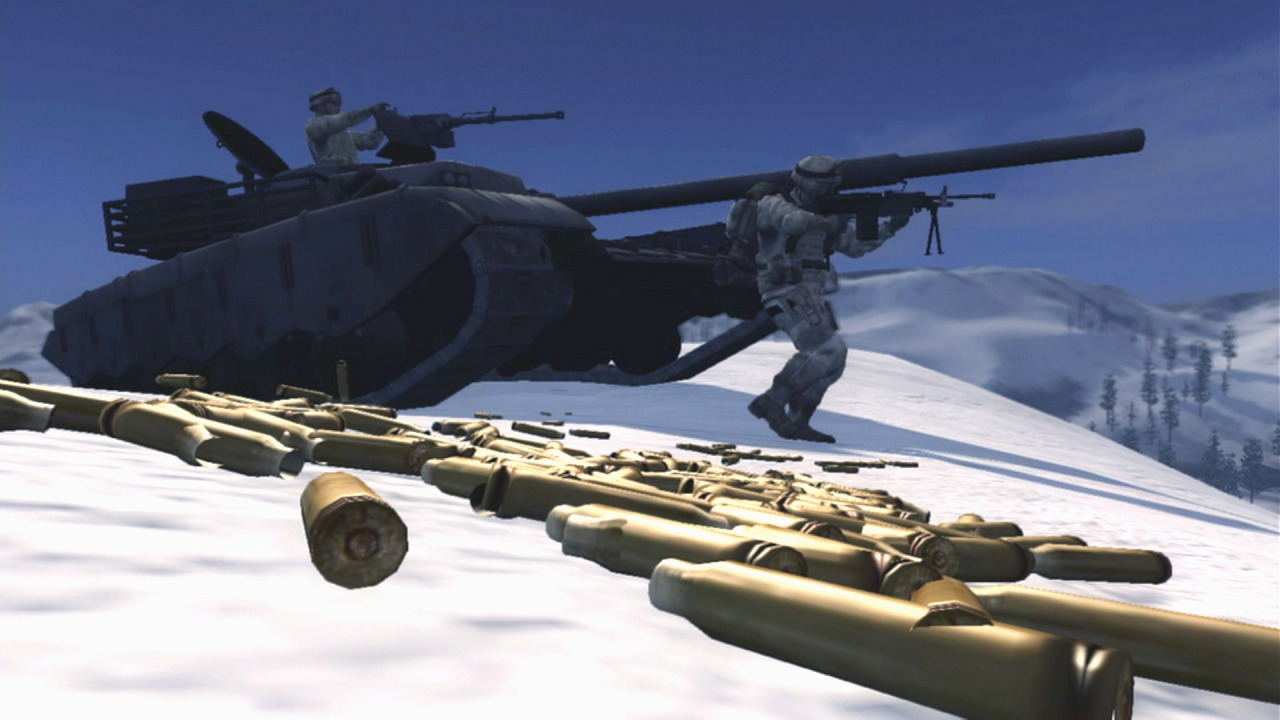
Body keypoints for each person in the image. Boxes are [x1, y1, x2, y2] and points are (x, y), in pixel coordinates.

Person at [725, 155, 910, 443]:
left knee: (835, 360)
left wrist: (890, 227)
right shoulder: (772, 203)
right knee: (827, 351)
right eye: (825, 185)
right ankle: (771, 401)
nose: (829, 190)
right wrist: (829, 222)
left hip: (812, 292)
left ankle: (799, 420)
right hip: (784, 289)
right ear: (806, 182)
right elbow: (793, 221)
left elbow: (854, 247)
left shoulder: (825, 212)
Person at [305, 87, 386, 166]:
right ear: (320, 105)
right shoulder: (314, 126)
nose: (337, 106)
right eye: (333, 103)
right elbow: (342, 120)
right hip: (332, 172)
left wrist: (380, 126)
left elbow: (368, 142)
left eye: (337, 103)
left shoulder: (342, 133)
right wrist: (369, 111)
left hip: (350, 171)